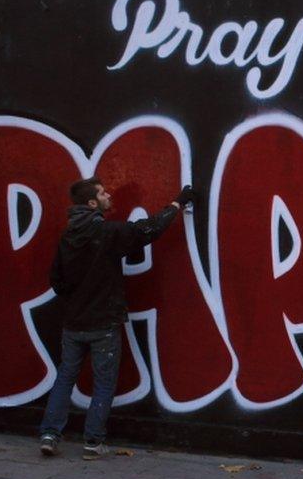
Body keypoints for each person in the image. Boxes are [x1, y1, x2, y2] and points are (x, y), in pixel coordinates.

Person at [38, 177, 196, 460]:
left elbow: (56, 280)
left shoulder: (67, 236)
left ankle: (50, 434)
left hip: (74, 322)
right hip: (103, 324)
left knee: (65, 377)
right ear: (92, 203)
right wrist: (178, 202)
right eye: (102, 193)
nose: (108, 195)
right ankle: (93, 442)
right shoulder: (107, 233)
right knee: (103, 382)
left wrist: (78, 300)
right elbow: (149, 229)